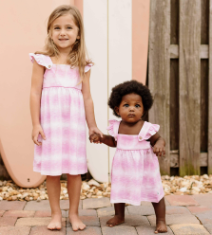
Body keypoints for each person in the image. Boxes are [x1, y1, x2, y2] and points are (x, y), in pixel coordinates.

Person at [29, 5, 102, 231]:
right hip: (50, 126)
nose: (63, 32)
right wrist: (35, 124)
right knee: (52, 172)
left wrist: (93, 126)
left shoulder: (82, 64)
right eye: (57, 27)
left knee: (74, 172)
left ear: (78, 33)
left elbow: (87, 97)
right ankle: (54, 215)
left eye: (69, 27)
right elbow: (34, 93)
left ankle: (73, 214)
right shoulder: (42, 60)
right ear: (50, 32)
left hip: (73, 126)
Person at [90, 80, 167, 233]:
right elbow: (113, 142)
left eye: (137, 105)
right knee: (119, 189)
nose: (132, 109)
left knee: (154, 191)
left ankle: (161, 220)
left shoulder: (146, 128)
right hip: (123, 167)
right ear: (117, 110)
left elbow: (159, 139)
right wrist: (102, 138)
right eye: (127, 105)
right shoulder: (117, 127)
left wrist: (159, 144)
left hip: (145, 167)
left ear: (143, 109)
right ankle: (119, 215)